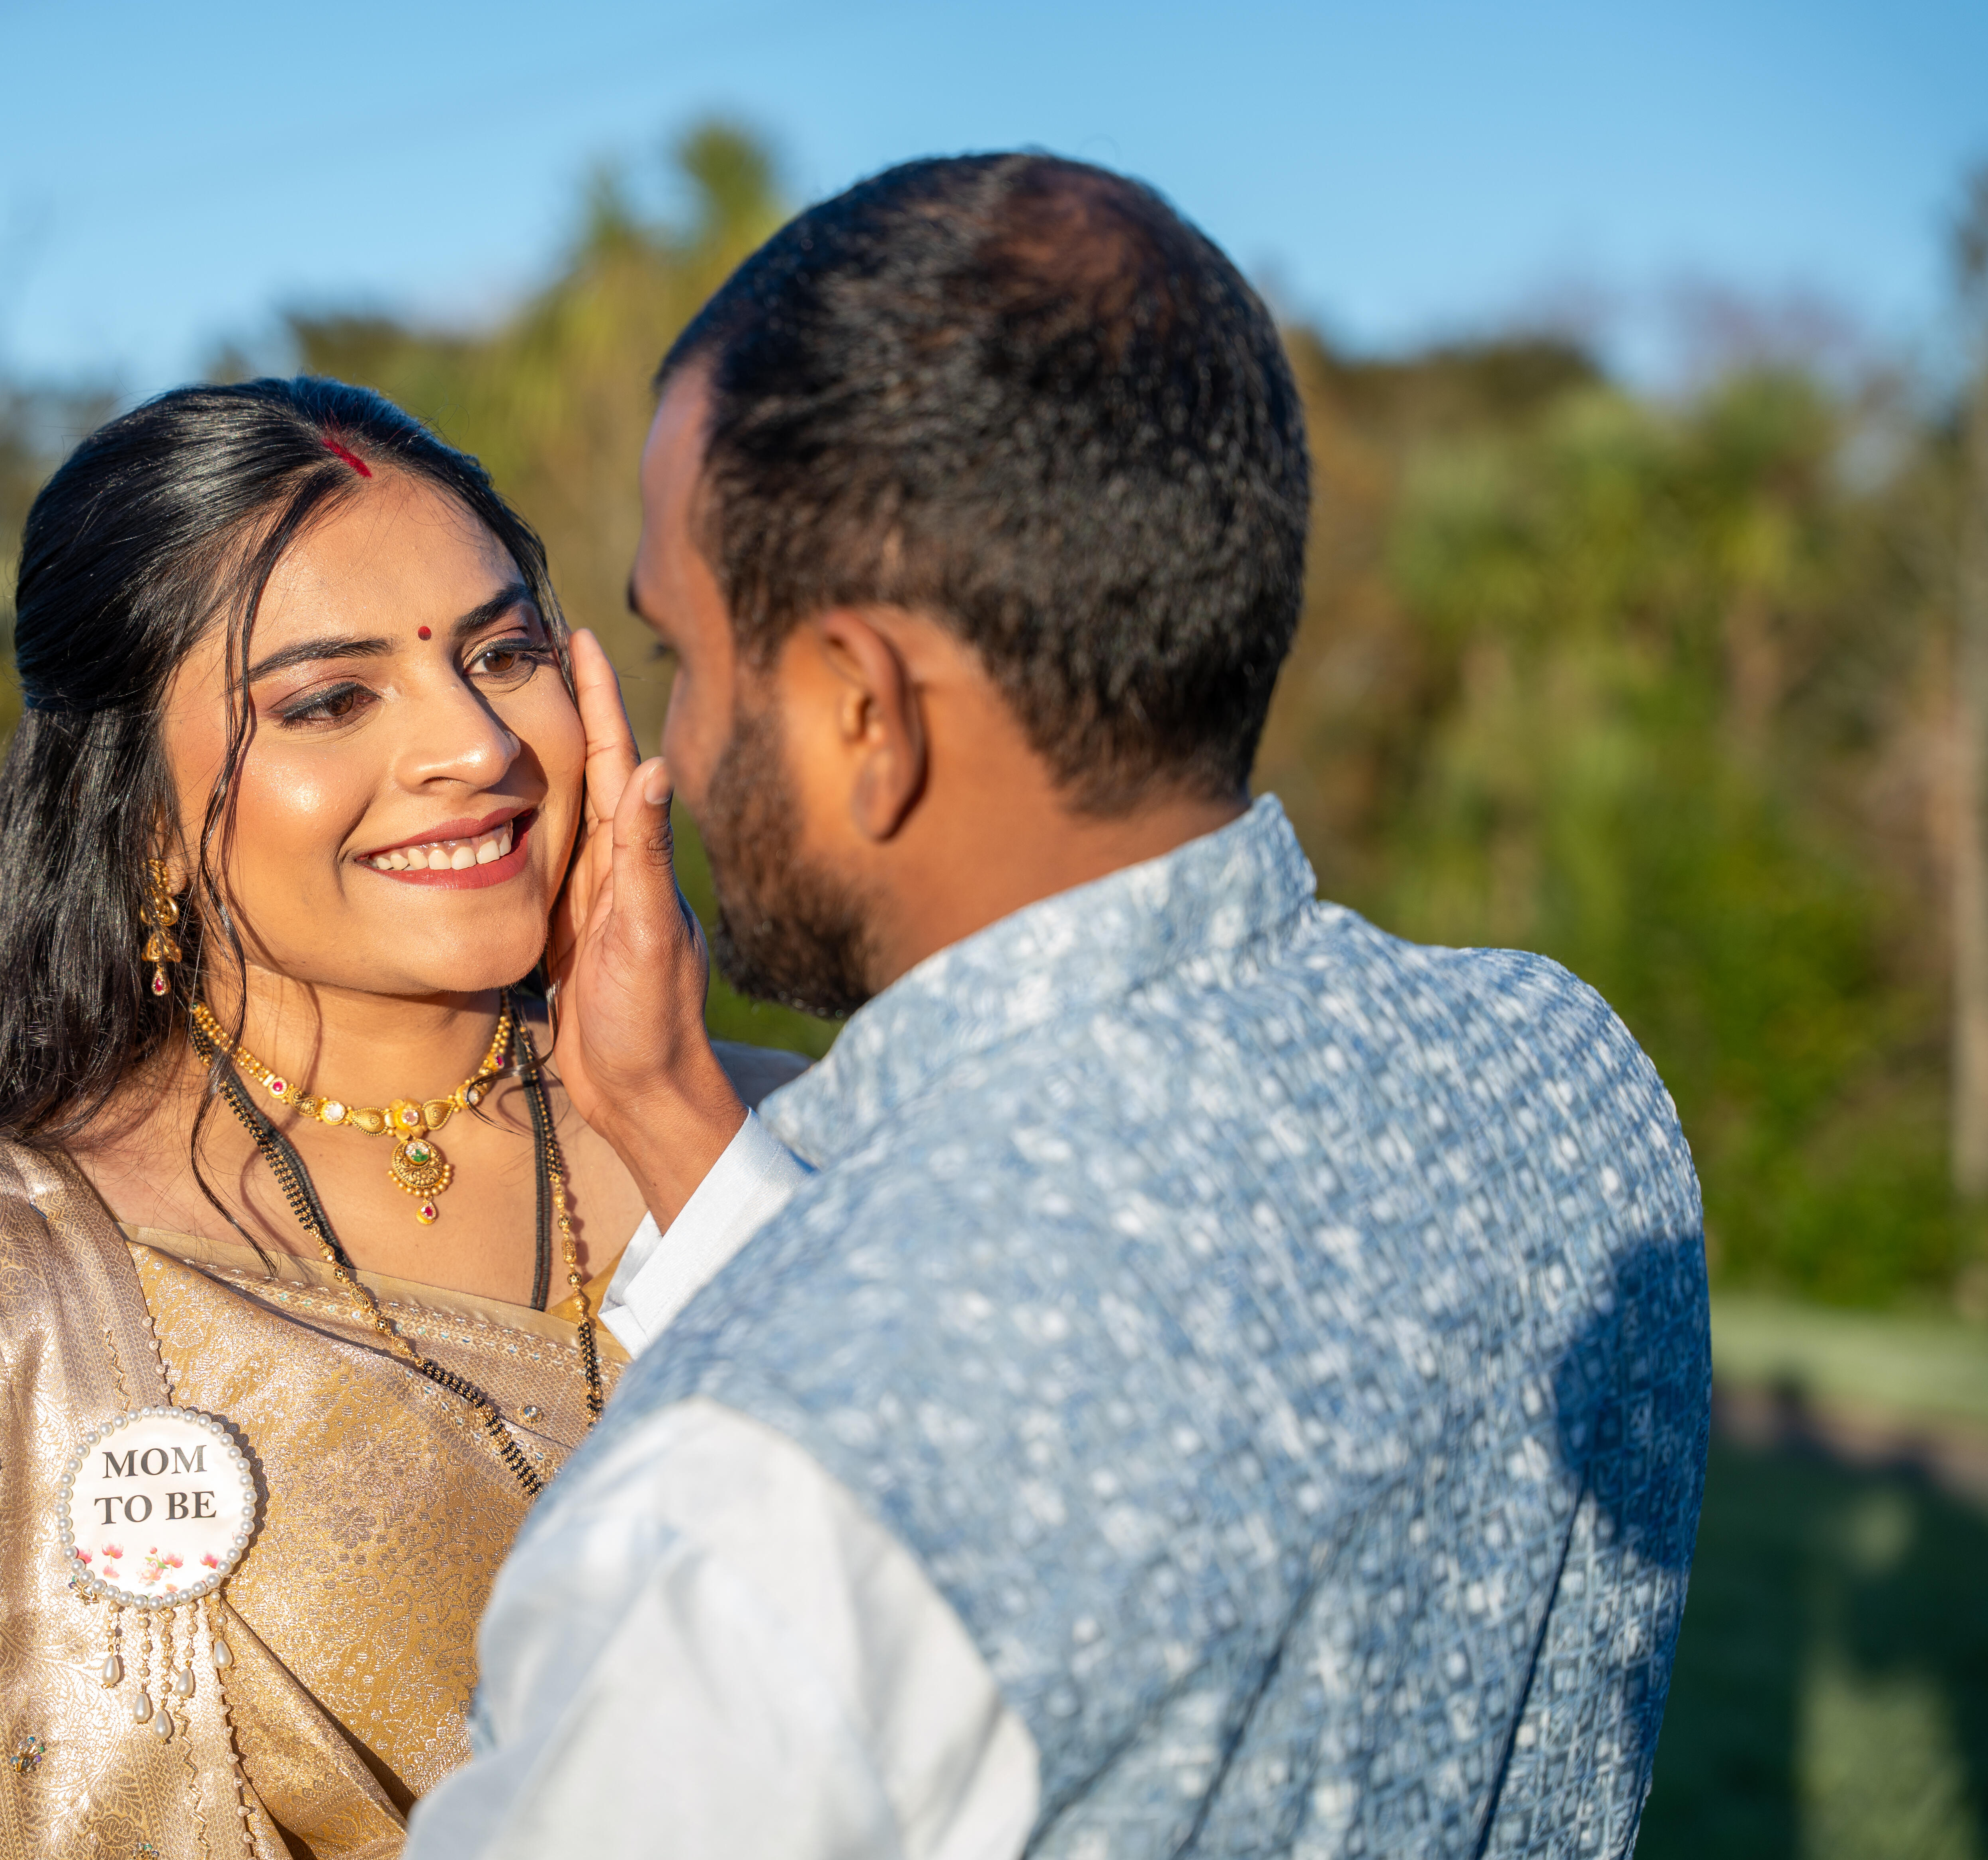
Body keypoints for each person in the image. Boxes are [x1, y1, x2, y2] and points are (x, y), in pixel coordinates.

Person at [410, 153, 1712, 1860]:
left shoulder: (750, 1500)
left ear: (867, 712)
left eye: (686, 655)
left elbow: (947, 1396)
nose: (673, 744)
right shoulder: (1568, 1081)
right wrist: (680, 1125)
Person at [0, 377, 797, 1860]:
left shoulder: (800, 1149)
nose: (475, 746)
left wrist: (684, 1124)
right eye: (331, 699)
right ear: (141, 814)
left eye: (505, 652)